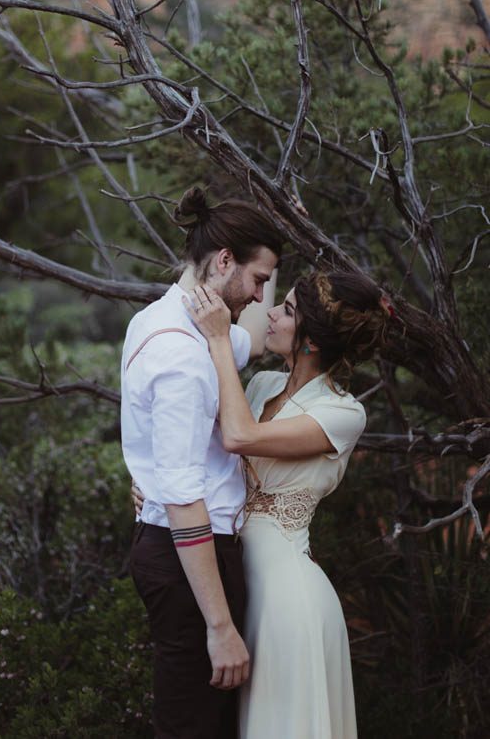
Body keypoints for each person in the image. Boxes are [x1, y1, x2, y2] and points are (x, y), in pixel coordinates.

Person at [182, 270, 391, 739]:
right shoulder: (257, 389)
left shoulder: (341, 413)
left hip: (288, 598)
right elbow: (203, 455)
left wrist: (219, 339)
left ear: (312, 341)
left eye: (288, 310)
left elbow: (239, 437)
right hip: (238, 582)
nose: (271, 314)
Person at [120, 186, 283, 739]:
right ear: (223, 261)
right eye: (259, 280)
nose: (262, 298)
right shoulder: (183, 358)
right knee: (192, 727)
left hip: (181, 547)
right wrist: (219, 626)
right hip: (191, 552)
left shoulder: (173, 321)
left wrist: (275, 232)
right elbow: (185, 496)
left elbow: (254, 342)